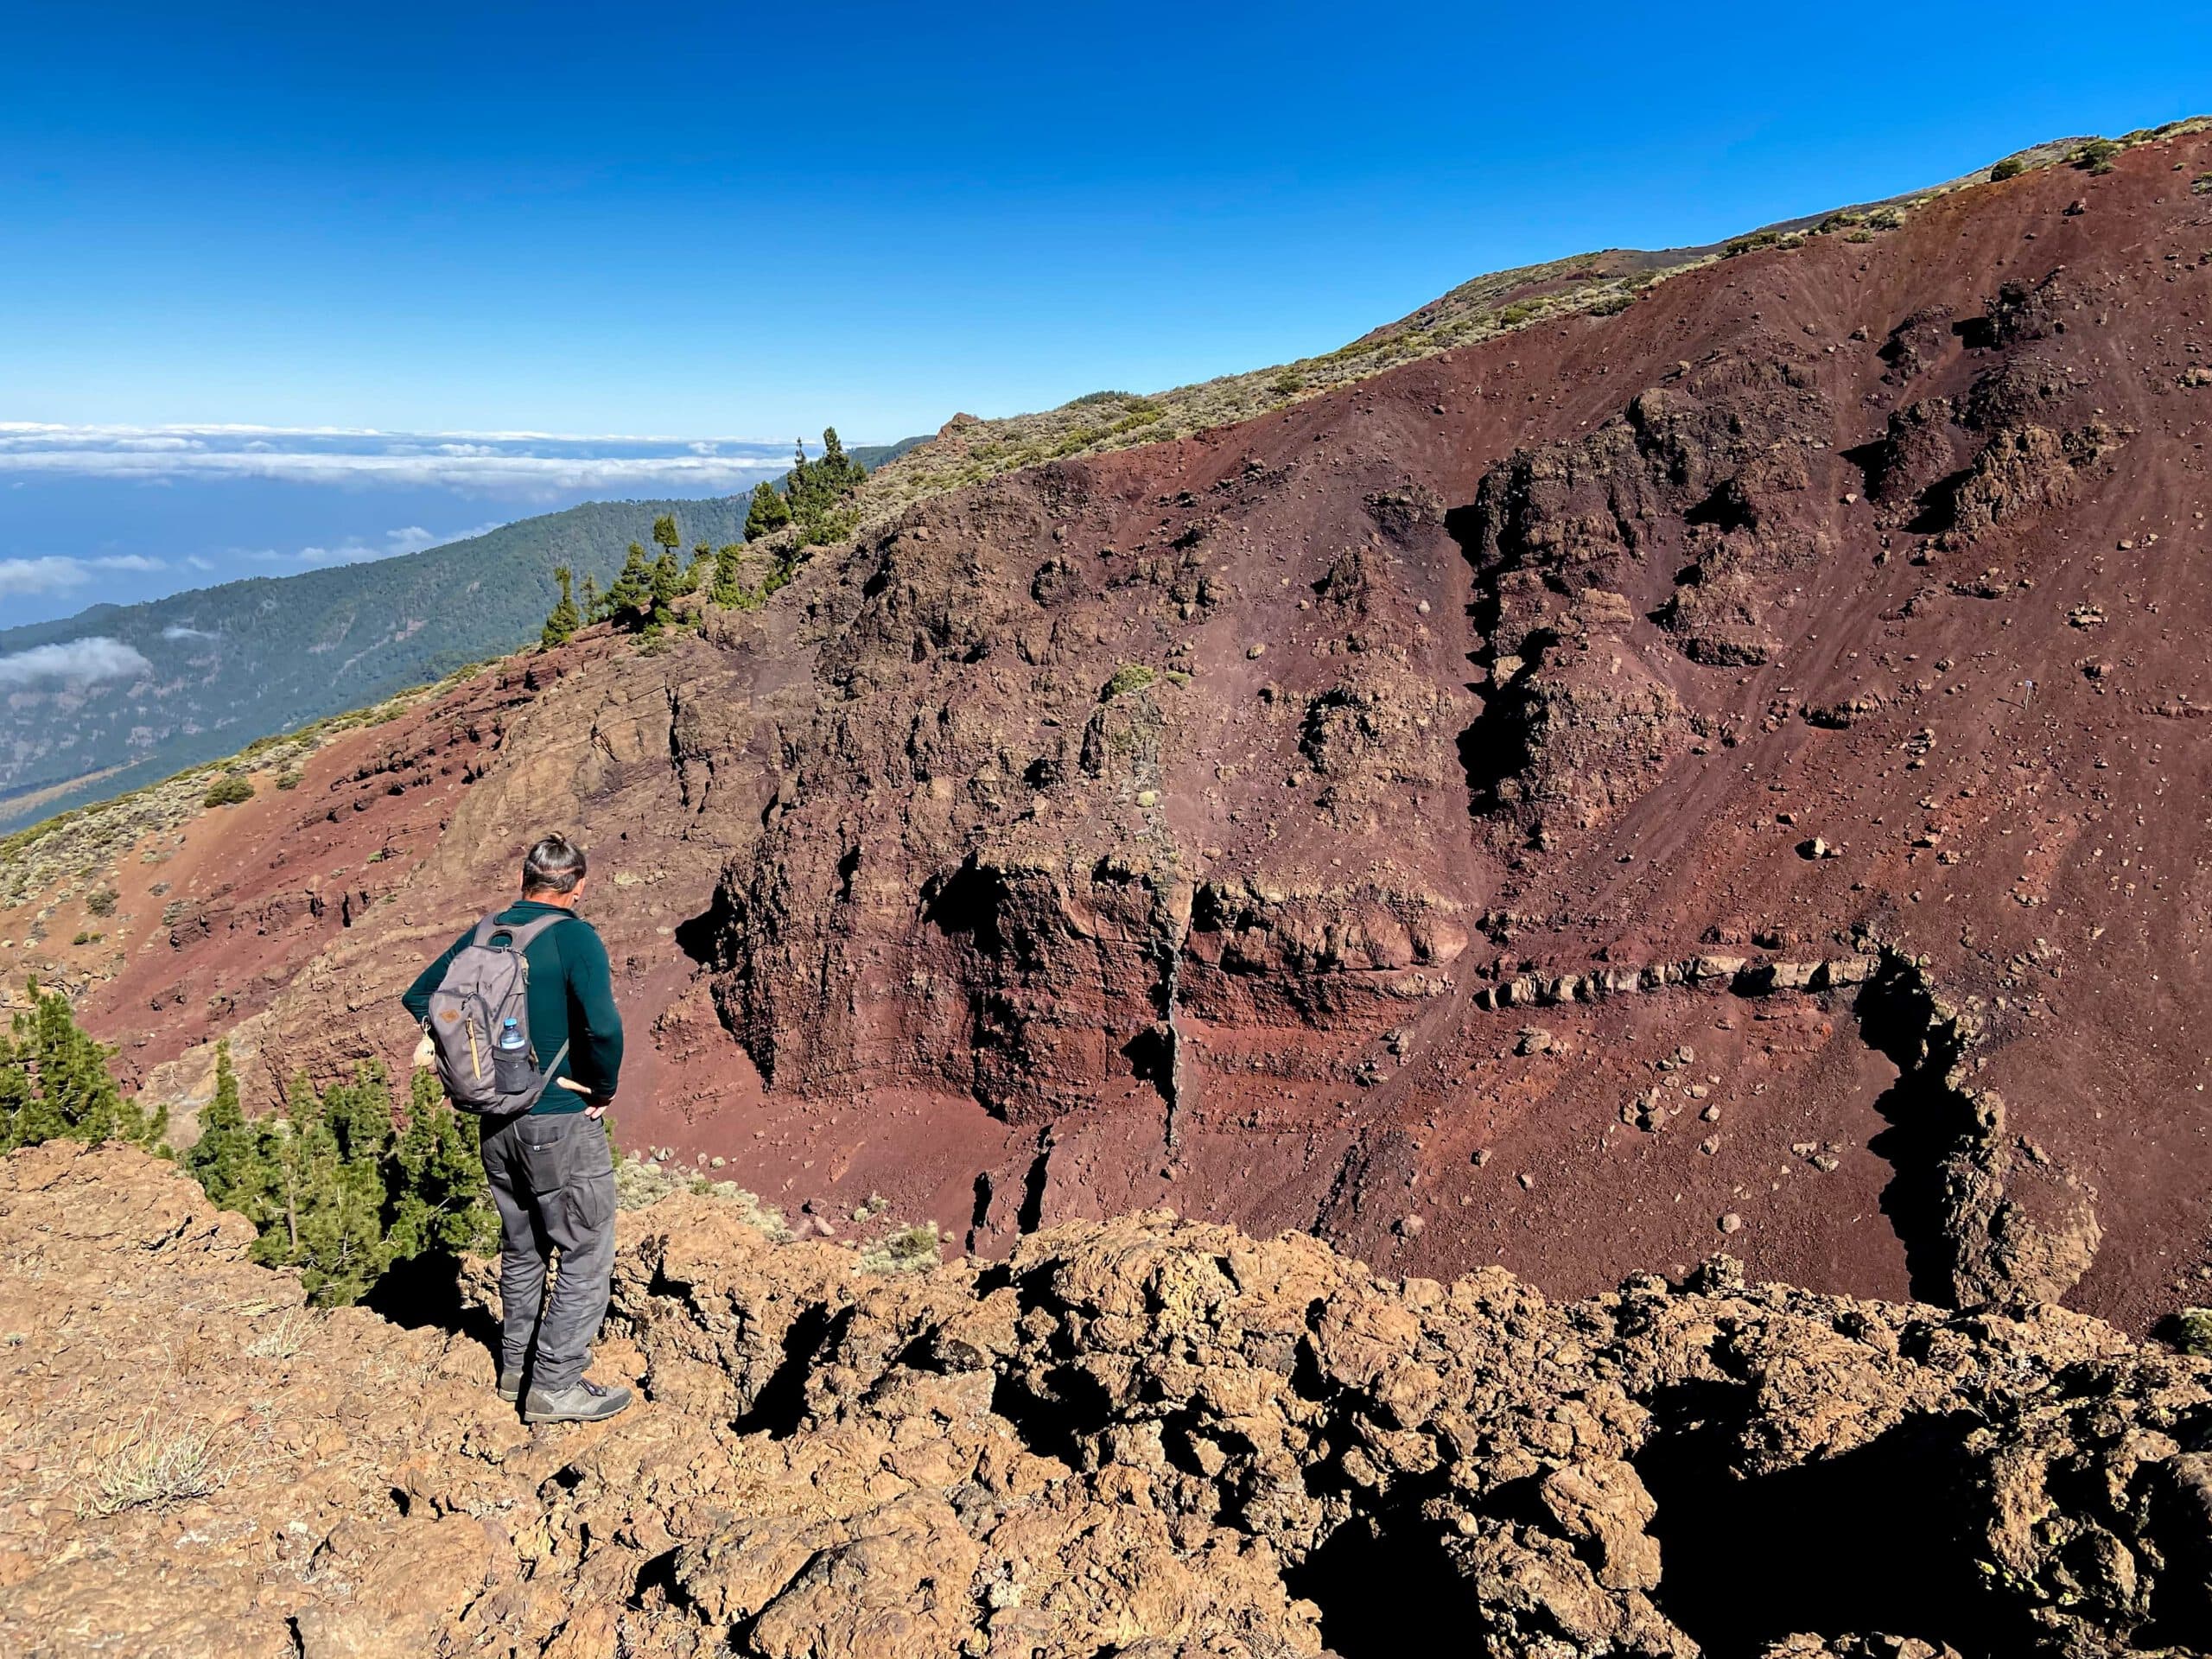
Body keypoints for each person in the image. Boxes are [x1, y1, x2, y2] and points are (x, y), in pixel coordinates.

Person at [402, 833, 632, 1424]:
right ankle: (555, 1385)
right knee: (585, 1248)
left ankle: (514, 1370)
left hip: (495, 1123)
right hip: (557, 1120)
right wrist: (601, 1087)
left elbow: (421, 996)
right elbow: (603, 1028)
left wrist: (468, 1054)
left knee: (523, 1248)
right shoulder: (575, 936)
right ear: (577, 886)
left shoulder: (487, 932)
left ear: (525, 881)